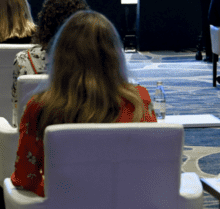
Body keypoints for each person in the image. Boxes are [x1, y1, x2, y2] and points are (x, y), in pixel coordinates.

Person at [10, 10, 157, 197]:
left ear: (59, 55)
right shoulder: (139, 100)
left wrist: (57, 194)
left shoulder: (39, 107)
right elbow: (150, 166)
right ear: (115, 55)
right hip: (127, 203)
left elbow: (24, 178)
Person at [11, 0, 89, 124]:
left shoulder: (24, 60)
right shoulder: (96, 61)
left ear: (46, 22)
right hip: (87, 140)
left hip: (37, 139)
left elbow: (17, 117)